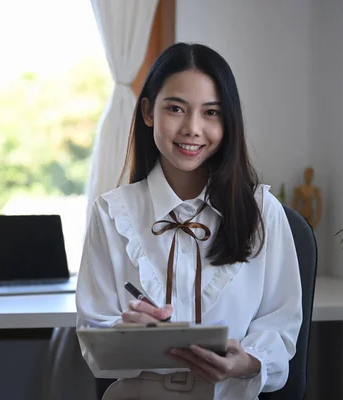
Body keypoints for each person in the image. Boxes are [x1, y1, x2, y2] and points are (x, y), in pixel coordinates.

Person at [75, 42, 302, 400]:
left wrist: (248, 361)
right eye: (176, 108)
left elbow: (280, 322)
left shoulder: (262, 210)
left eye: (211, 112)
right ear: (148, 112)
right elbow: (93, 339)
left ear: (228, 121)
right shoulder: (111, 213)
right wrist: (124, 333)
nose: (193, 128)